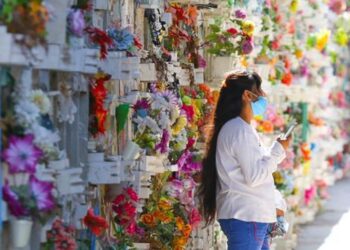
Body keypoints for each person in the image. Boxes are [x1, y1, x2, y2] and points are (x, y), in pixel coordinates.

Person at [198, 71, 291, 250]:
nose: (263, 95)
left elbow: (256, 171)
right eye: (259, 90)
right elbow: (255, 176)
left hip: (252, 218)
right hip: (246, 217)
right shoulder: (238, 129)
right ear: (247, 95)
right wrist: (278, 151)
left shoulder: (242, 128)